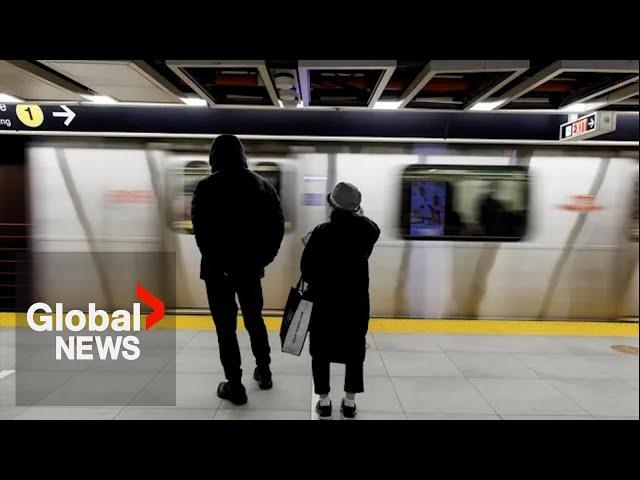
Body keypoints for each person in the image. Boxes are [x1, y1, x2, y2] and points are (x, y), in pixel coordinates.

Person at [191, 134, 284, 405]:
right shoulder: (263, 186)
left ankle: (235, 385)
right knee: (255, 320)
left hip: (216, 274)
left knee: (226, 329)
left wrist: (219, 265)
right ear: (242, 155)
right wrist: (262, 260)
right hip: (250, 270)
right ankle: (264, 371)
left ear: (213, 157)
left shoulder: (205, 187)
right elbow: (276, 228)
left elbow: (202, 232)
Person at [300, 182, 380, 419]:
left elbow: (306, 269)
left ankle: (324, 402)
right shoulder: (366, 231)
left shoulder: (320, 232)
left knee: (321, 352)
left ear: (332, 205)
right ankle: (349, 403)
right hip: (355, 304)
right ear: (356, 208)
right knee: (354, 352)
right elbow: (373, 227)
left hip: (324, 305)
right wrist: (358, 214)